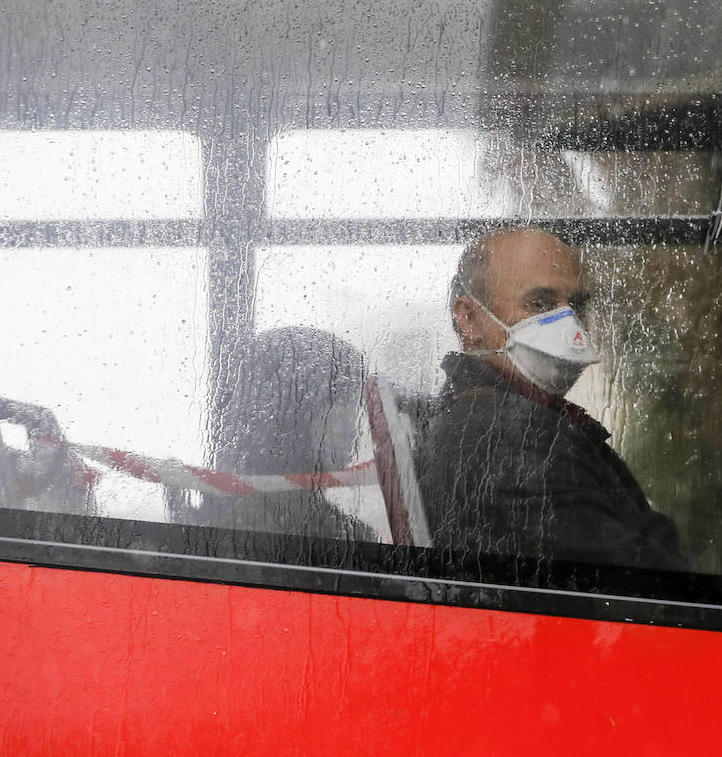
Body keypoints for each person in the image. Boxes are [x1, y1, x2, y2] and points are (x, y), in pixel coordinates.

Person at [412, 227, 688, 570]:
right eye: (540, 303)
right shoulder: (511, 438)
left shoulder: (506, 419)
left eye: (577, 306)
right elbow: (642, 581)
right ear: (469, 318)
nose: (570, 326)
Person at [177, 326, 375, 543]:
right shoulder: (344, 542)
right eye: (340, 415)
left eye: (353, 414)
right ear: (291, 422)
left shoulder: (203, 528)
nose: (354, 431)